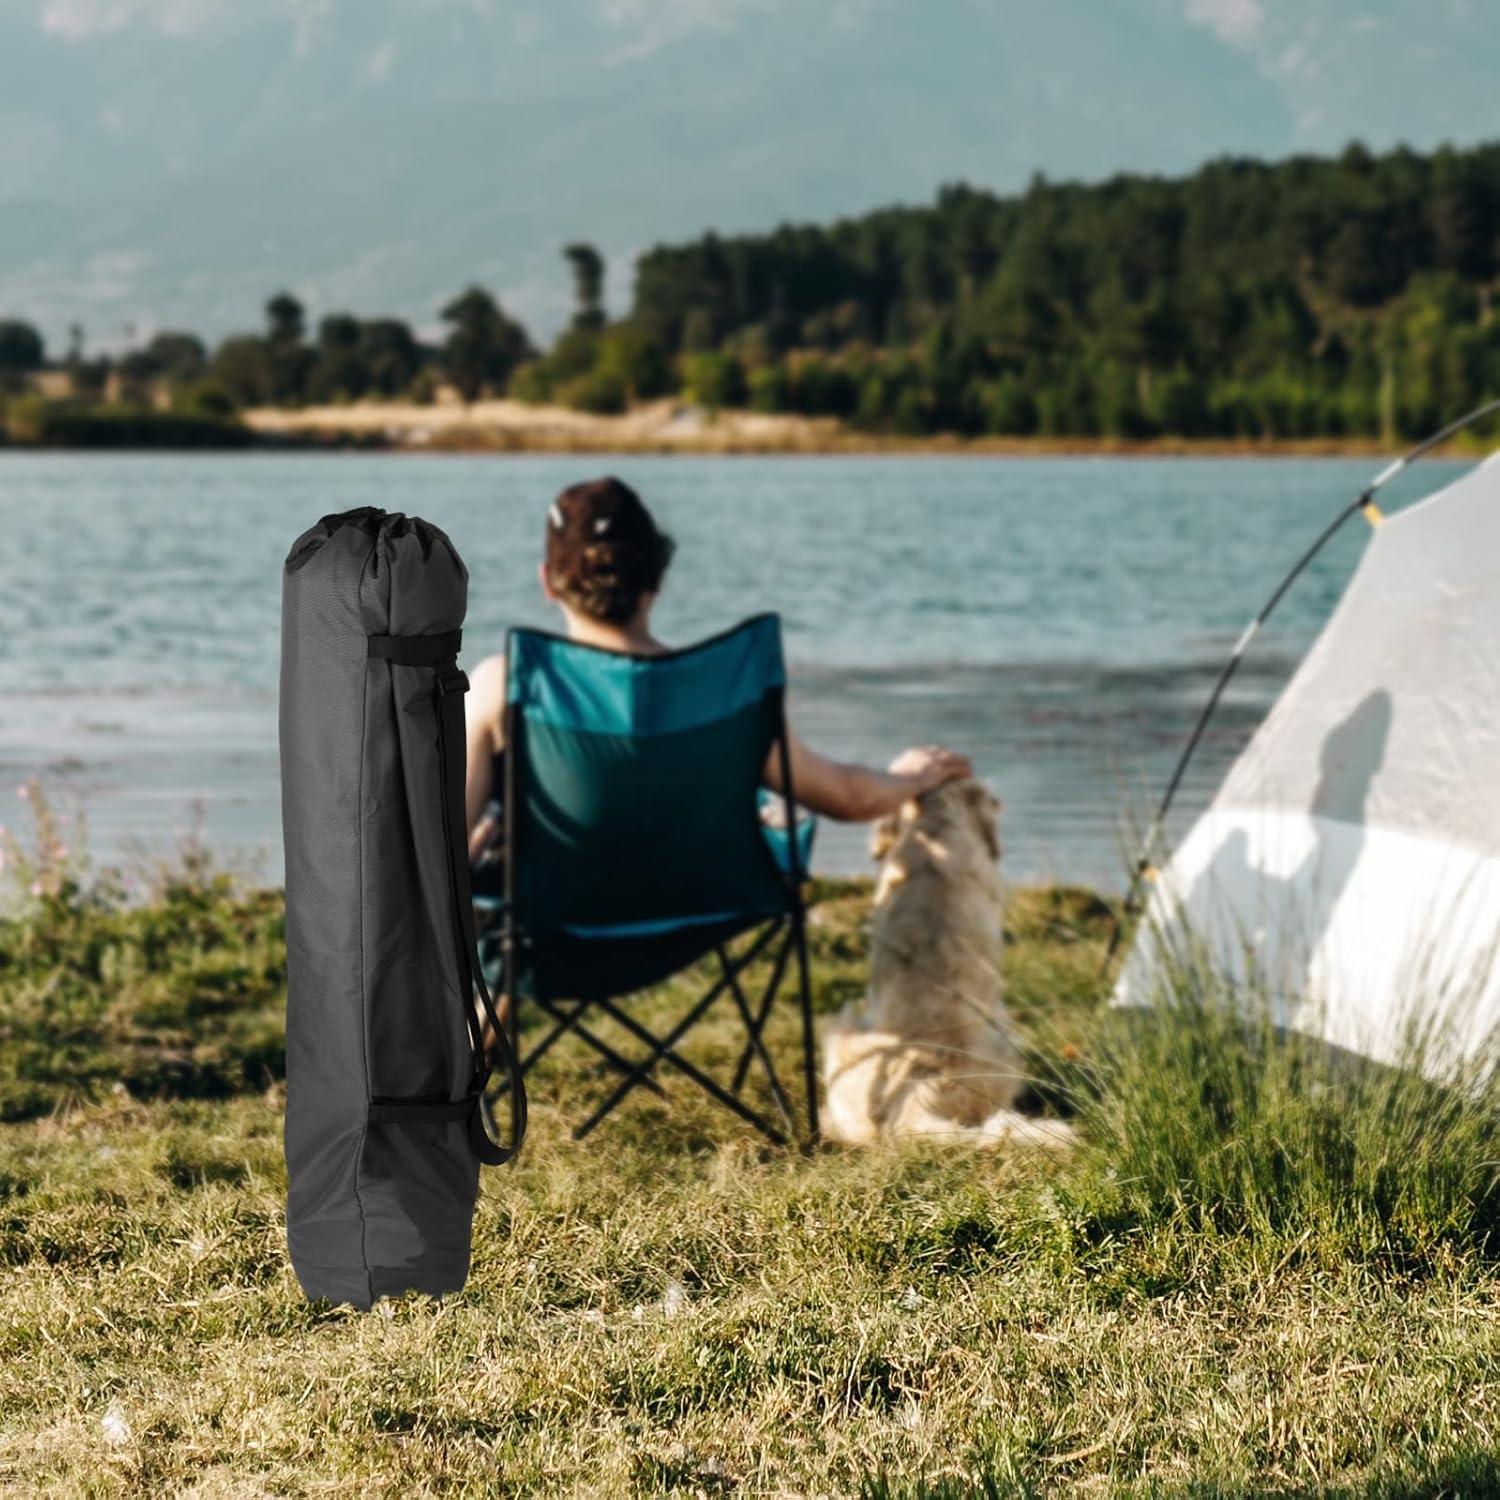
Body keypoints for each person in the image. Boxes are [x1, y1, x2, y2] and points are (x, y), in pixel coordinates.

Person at [464, 476, 972, 859]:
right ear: (658, 578)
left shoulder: (503, 685)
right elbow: (846, 797)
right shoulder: (725, 687)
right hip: (699, 919)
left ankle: (490, 998)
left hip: (542, 931)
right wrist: (909, 779)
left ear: (549, 583)